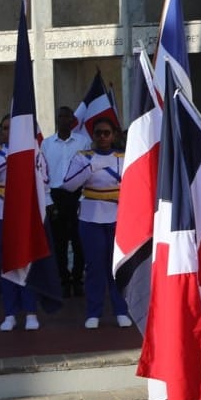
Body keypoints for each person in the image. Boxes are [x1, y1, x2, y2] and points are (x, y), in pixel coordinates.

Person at [61, 118, 131, 328]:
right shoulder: (83, 157)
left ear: (114, 135)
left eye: (107, 133)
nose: (102, 137)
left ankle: (121, 310)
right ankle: (94, 312)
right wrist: (91, 167)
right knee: (94, 266)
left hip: (118, 216)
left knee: (118, 266)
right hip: (91, 216)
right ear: (93, 136)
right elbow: (69, 185)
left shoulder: (123, 157)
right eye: (99, 133)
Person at [0, 116, 39, 332]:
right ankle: (10, 313)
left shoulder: (33, 149)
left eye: (12, 129)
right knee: (4, 263)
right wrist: (9, 159)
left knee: (26, 260)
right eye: (4, 128)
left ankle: (31, 311)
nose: (8, 132)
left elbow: (44, 178)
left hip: (23, 209)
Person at [42, 105, 91, 295]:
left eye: (67, 116)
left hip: (77, 196)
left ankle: (78, 279)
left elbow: (88, 170)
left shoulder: (83, 142)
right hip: (55, 196)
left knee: (79, 241)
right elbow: (42, 173)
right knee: (58, 242)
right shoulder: (46, 144)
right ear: (57, 119)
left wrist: (83, 197)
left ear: (73, 120)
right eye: (60, 116)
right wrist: (48, 201)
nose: (64, 119)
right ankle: (63, 279)